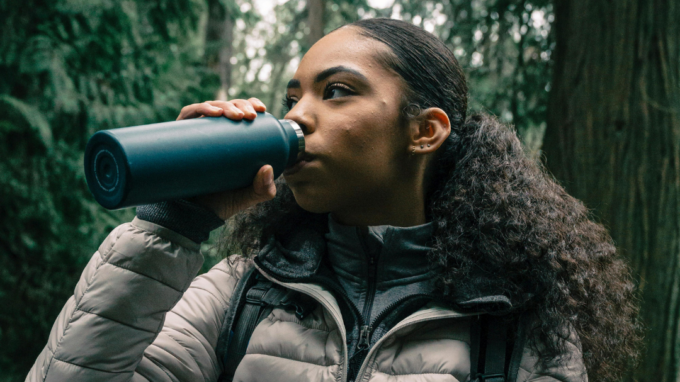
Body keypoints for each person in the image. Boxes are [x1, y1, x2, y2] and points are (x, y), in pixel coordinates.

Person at [26, 18, 640, 382]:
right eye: (294, 97)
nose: (298, 116)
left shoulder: (517, 321)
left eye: (337, 91)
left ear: (423, 130)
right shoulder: (239, 291)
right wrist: (175, 222)